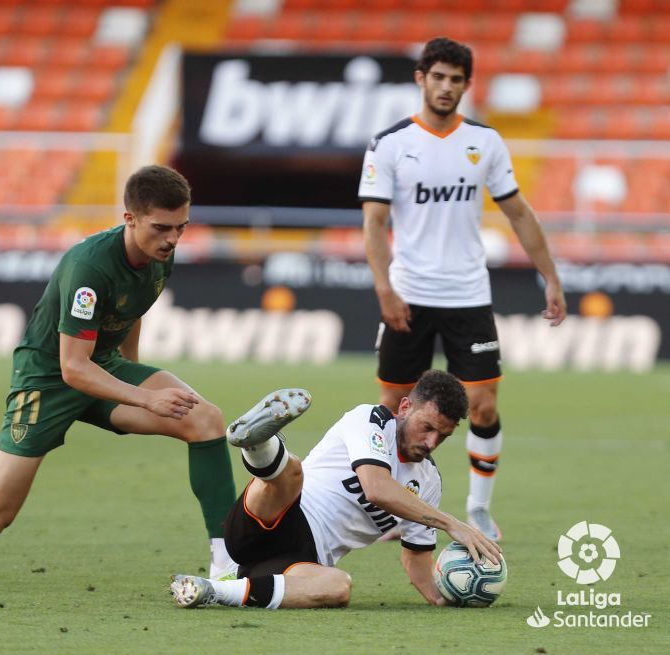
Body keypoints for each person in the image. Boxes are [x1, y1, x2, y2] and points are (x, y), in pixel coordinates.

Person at [0, 165, 238, 587]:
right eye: (162, 228)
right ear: (129, 218)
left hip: (101, 366)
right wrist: (142, 398)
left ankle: (228, 563)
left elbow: (132, 309)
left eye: (181, 227)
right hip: (46, 382)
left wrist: (134, 374)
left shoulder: (161, 254)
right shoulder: (89, 268)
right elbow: (72, 367)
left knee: (204, 419)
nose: (173, 239)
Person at [358, 37, 566, 540]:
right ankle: (393, 502)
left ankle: (477, 507)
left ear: (467, 85)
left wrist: (552, 277)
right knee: (393, 407)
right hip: (409, 293)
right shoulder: (390, 143)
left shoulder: (486, 142)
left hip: (468, 295)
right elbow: (374, 223)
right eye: (438, 76)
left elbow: (518, 211)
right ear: (421, 79)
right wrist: (384, 289)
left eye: (456, 79)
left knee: (485, 404)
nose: (446, 87)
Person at [170, 371, 502, 609]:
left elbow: (416, 556)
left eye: (442, 436)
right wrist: (450, 523)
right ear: (404, 408)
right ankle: (258, 445)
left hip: (302, 560)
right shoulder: (369, 420)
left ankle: (217, 590)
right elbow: (376, 488)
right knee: (292, 474)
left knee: (338, 586)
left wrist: (441, 598)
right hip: (276, 514)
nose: (431, 442)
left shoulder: (428, 482)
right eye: (426, 427)